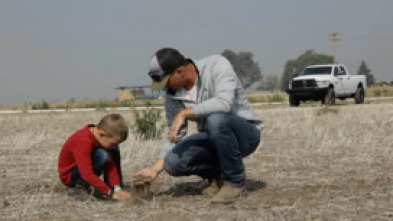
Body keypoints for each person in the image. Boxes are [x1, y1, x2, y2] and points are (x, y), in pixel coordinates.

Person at [133, 48, 263, 203]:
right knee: (172, 162)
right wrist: (155, 169)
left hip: (245, 135)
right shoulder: (173, 96)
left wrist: (184, 113)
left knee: (216, 120)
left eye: (166, 82)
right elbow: (175, 135)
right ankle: (218, 178)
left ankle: (235, 183)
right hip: (214, 138)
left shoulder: (217, 65)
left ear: (179, 71)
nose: (165, 88)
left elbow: (224, 103)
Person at [58, 113, 132, 201]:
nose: (113, 146)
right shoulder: (83, 140)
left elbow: (111, 166)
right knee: (103, 155)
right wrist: (110, 193)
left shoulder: (102, 139)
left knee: (112, 151)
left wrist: (117, 188)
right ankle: (79, 188)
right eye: (113, 143)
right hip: (71, 177)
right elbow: (87, 174)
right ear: (101, 134)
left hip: (85, 172)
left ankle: (113, 187)